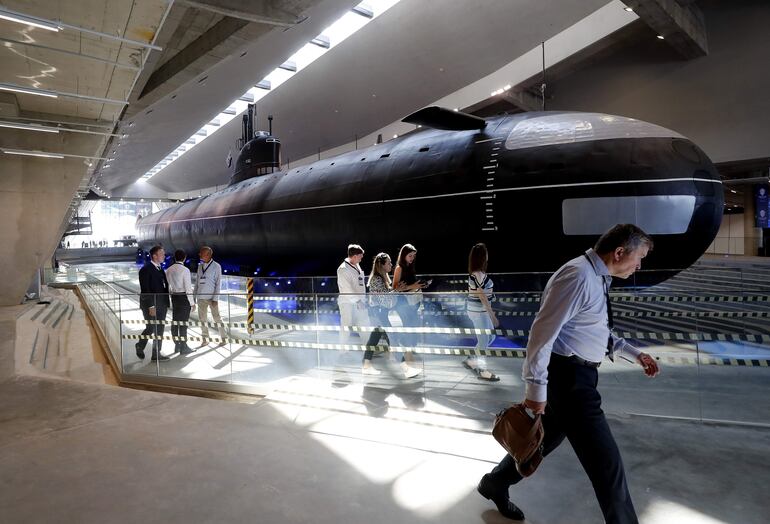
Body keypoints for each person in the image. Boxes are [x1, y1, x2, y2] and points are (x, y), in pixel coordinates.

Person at [477, 224, 661, 523]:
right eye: (638, 257)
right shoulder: (577, 276)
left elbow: (593, 329)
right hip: (570, 381)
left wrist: (635, 353)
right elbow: (542, 334)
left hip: (579, 376)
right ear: (619, 252)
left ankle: (495, 483)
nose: (639, 265)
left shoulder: (596, 277)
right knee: (607, 465)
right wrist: (535, 392)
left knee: (541, 442)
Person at [362, 253, 407, 375]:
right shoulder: (377, 279)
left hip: (380, 313)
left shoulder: (382, 278)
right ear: (381, 265)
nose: (391, 265)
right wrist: (396, 290)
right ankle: (405, 368)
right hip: (379, 313)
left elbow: (387, 298)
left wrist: (396, 290)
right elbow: (385, 300)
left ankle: (366, 365)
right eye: (389, 263)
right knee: (392, 338)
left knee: (375, 339)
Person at [463, 243, 500, 381]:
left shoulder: (478, 273)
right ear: (482, 257)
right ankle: (482, 370)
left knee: (489, 338)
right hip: (479, 312)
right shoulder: (477, 274)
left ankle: (471, 359)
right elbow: (481, 295)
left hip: (480, 311)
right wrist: (492, 315)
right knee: (484, 340)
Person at [336, 244, 374, 371]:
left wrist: (361, 300)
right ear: (355, 256)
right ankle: (342, 352)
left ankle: (368, 350)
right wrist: (358, 300)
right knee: (346, 327)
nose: (362, 258)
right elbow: (346, 289)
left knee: (364, 324)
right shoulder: (342, 269)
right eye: (361, 256)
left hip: (359, 302)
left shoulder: (356, 265)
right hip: (348, 303)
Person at [392, 244, 426, 378]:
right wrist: (414, 285)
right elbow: (396, 288)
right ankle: (406, 356)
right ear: (404, 255)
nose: (412, 258)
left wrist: (418, 285)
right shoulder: (399, 268)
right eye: (410, 255)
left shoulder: (409, 267)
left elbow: (407, 285)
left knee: (413, 326)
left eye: (414, 256)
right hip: (404, 303)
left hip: (413, 301)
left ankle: (408, 352)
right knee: (409, 326)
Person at [136, 245, 171, 361]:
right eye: (162, 254)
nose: (164, 256)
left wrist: (166, 302)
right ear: (154, 256)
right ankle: (140, 345)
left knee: (159, 328)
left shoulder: (160, 268)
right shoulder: (145, 269)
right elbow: (145, 289)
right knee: (151, 327)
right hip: (150, 305)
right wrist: (151, 305)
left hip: (162, 304)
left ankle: (156, 354)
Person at [194, 246, 227, 346]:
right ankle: (205, 339)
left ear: (208, 254)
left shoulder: (217, 266)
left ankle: (224, 338)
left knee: (217, 318)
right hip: (201, 298)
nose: (199, 255)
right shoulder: (200, 266)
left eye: (201, 253)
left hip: (212, 298)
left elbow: (218, 284)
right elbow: (197, 283)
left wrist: (215, 298)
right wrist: (194, 296)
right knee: (202, 319)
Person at [166, 249, 195, 355]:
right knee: (183, 323)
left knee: (175, 321)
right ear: (184, 258)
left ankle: (177, 345)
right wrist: (192, 302)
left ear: (174, 257)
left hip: (174, 297)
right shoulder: (185, 270)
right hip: (183, 298)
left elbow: (168, 286)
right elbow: (188, 288)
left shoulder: (168, 270)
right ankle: (184, 346)